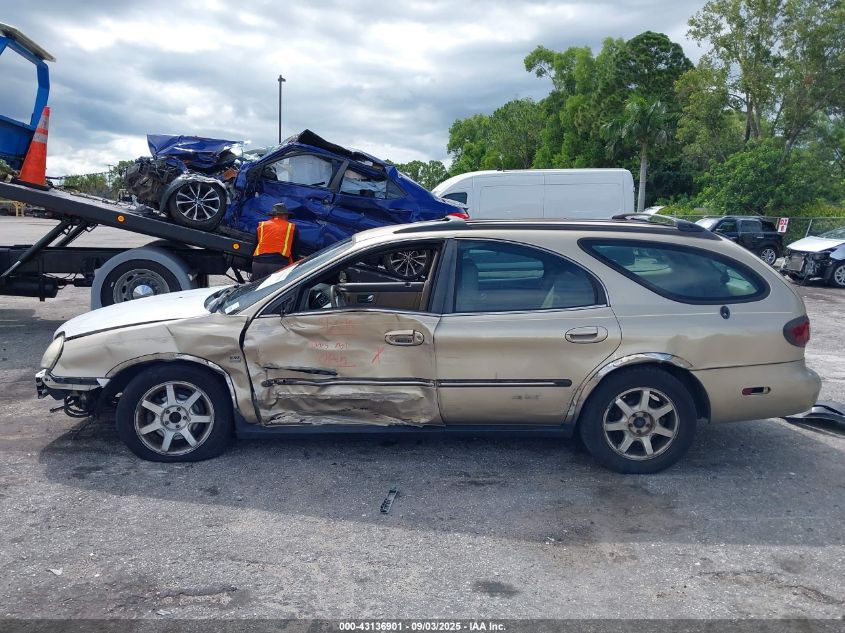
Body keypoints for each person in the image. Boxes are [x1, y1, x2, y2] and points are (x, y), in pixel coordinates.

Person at [251, 203, 300, 280]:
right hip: (278, 264)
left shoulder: (262, 225)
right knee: (274, 290)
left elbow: (255, 246)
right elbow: (295, 251)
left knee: (257, 289)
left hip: (258, 263)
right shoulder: (291, 227)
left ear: (273, 215)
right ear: (285, 215)